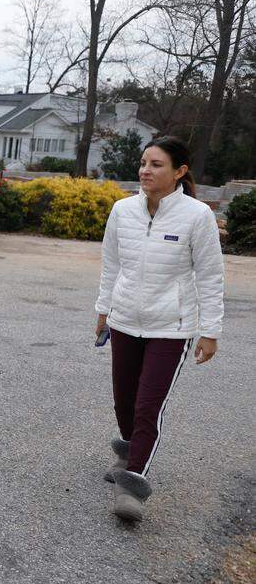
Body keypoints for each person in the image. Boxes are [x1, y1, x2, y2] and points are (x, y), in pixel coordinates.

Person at [94, 136, 224, 522]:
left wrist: (210, 331)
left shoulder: (196, 216)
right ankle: (129, 451)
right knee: (124, 400)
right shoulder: (122, 210)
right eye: (144, 163)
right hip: (124, 321)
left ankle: (133, 482)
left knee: (148, 405)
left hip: (172, 327)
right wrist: (104, 311)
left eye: (156, 164)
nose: (145, 170)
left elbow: (211, 276)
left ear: (179, 172)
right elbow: (110, 265)